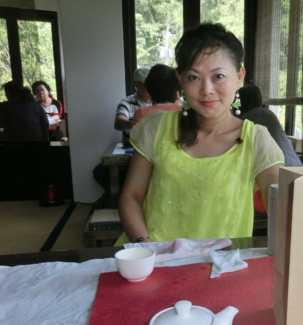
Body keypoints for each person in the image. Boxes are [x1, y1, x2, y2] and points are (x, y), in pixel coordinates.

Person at [118, 23, 284, 243]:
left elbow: (282, 209)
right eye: (194, 78)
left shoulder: (256, 140)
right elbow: (131, 197)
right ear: (180, 79)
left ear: (239, 76)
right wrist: (147, 249)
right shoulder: (156, 128)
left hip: (221, 262)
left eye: (218, 76)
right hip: (152, 256)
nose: (207, 90)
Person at [238, 83, 303, 167]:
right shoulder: (268, 113)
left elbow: (239, 144)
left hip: (280, 167)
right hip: (295, 165)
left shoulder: (249, 117)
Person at [114, 66, 152, 146]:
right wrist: (138, 124)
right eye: (146, 85)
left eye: (152, 84)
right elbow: (118, 123)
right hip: (133, 145)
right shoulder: (127, 102)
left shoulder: (158, 101)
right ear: (136, 85)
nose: (150, 87)